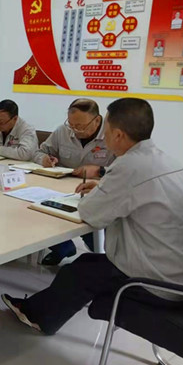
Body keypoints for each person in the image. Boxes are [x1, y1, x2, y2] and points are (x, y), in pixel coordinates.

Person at [2, 98, 183, 336]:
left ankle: (38, 316)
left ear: (118, 135)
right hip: (181, 272)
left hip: (157, 282)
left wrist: (102, 192)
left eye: (107, 128)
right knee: (88, 264)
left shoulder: (129, 166)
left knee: (80, 272)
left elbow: (91, 213)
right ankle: (42, 313)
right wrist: (105, 189)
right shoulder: (163, 159)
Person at [33, 98, 116, 265]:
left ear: (97, 120)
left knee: (92, 229)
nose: (76, 130)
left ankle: (105, 259)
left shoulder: (112, 136)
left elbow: (125, 170)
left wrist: (99, 171)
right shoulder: (62, 131)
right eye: (72, 125)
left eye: (81, 126)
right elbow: (38, 152)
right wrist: (44, 159)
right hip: (60, 189)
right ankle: (62, 248)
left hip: (94, 193)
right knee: (35, 211)